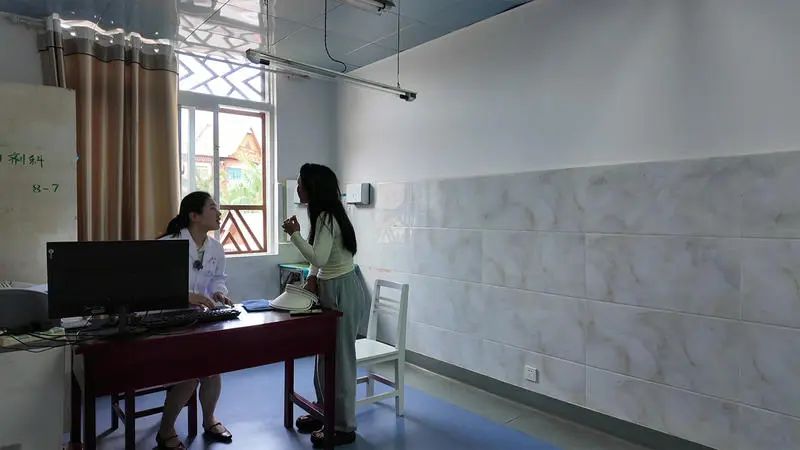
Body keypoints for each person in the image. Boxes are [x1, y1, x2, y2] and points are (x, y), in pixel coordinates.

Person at [283, 163, 369, 448]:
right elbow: (319, 259)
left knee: (340, 361)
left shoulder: (327, 217)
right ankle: (324, 411)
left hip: (342, 289)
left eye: (301, 184)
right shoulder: (323, 215)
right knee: (324, 355)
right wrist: (311, 277)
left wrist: (294, 234)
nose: (298, 188)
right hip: (331, 288)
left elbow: (318, 257)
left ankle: (343, 427)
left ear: (313, 188)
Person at [155, 191, 234, 449]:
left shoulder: (215, 248)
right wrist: (187, 296)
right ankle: (166, 431)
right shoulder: (168, 244)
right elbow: (154, 288)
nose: (219, 213)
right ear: (194, 216)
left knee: (213, 369)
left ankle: (209, 420)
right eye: (212, 208)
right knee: (190, 373)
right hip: (167, 320)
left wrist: (219, 293)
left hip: (199, 319)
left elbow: (218, 279)